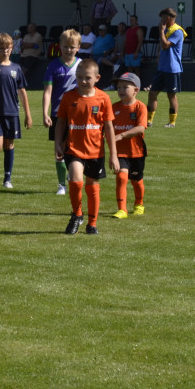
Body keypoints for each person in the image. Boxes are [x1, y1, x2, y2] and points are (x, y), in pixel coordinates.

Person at [54, 59, 119, 235]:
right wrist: (57, 144)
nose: (83, 81)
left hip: (96, 151)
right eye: (79, 77)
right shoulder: (68, 97)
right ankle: (77, 214)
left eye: (87, 78)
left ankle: (92, 223)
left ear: (97, 78)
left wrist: (113, 154)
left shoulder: (103, 98)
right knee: (76, 180)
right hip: (74, 149)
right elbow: (60, 121)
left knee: (92, 186)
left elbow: (109, 127)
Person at [0, 32, 32, 189]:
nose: (5, 51)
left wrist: (28, 115)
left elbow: (22, 92)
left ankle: (7, 178)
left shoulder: (16, 68)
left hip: (12, 113)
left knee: (9, 145)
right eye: (1, 48)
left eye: (8, 48)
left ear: (12, 48)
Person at [42, 29, 82, 196]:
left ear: (78, 47)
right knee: (59, 148)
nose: (68, 50)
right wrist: (45, 113)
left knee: (74, 149)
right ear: (60, 46)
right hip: (58, 114)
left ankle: (74, 176)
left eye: (72, 47)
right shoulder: (53, 66)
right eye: (65, 46)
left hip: (78, 115)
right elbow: (48, 91)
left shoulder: (82, 65)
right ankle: (61, 185)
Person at [110, 72, 148, 219]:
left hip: (136, 151)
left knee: (136, 181)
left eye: (125, 87)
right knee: (121, 177)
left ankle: (139, 204)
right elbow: (108, 126)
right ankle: (122, 209)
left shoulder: (140, 107)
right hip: (120, 151)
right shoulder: (114, 108)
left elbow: (140, 128)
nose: (120, 90)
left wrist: (120, 135)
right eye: (119, 87)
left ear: (136, 90)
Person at [147, 7, 186, 128]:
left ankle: (172, 122)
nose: (161, 20)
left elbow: (165, 45)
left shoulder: (177, 31)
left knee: (171, 95)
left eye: (163, 17)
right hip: (162, 68)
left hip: (172, 69)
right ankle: (148, 121)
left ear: (168, 18)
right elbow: (161, 47)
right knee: (152, 93)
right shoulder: (165, 30)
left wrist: (161, 31)